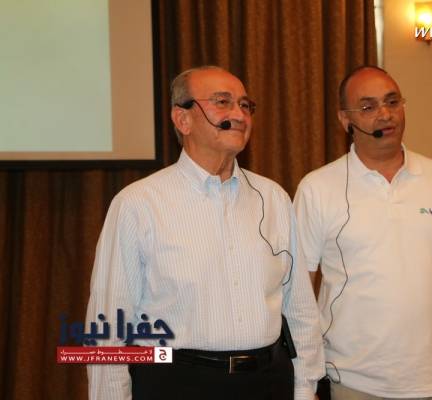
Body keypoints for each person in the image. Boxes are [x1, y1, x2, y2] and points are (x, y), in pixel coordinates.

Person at [86, 66, 324, 400]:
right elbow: (109, 323)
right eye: (222, 102)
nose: (239, 115)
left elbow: (299, 306)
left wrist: (305, 387)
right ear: (182, 119)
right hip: (176, 383)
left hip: (268, 382)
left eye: (245, 105)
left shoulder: (274, 198)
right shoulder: (138, 204)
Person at [293, 66, 432, 400]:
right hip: (350, 382)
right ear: (345, 120)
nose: (385, 114)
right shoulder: (318, 188)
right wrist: (304, 380)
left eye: (392, 101)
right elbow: (299, 290)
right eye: (368, 106)